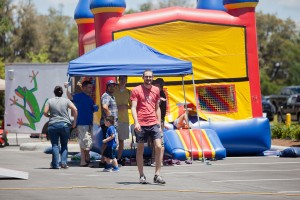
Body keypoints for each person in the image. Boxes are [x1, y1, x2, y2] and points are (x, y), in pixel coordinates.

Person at [131, 69, 166, 184]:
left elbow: (157, 108)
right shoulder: (136, 90)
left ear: (153, 77)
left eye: (150, 77)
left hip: (153, 123)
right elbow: (133, 107)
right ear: (142, 77)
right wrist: (136, 122)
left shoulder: (156, 90)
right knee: (140, 149)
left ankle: (157, 175)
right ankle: (142, 175)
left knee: (159, 146)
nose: (148, 79)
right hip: (141, 123)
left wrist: (159, 123)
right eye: (146, 77)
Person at [65, 80, 98, 167]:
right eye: (89, 87)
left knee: (87, 143)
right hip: (82, 123)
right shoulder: (79, 96)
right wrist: (67, 87)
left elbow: (94, 109)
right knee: (85, 142)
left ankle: (85, 158)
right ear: (83, 88)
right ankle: (84, 159)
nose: (91, 89)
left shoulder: (90, 98)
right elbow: (70, 97)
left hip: (89, 123)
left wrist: (95, 107)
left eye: (91, 87)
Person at [44, 86, 78, 169]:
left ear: (54, 92)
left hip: (53, 125)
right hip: (64, 125)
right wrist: (74, 122)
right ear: (62, 93)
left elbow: (45, 112)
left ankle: (55, 165)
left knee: (55, 145)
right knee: (64, 145)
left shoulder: (49, 101)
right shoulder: (66, 101)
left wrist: (49, 115)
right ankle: (63, 163)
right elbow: (75, 109)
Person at [99, 80, 118, 167]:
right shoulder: (106, 96)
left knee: (107, 142)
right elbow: (105, 107)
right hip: (108, 123)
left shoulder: (111, 96)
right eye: (110, 86)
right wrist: (111, 119)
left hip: (110, 123)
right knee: (108, 142)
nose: (112, 87)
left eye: (113, 86)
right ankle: (104, 161)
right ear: (107, 86)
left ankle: (104, 160)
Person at [114, 76, 131, 165]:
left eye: (125, 80)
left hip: (124, 119)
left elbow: (132, 105)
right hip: (113, 119)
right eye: (121, 79)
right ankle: (111, 157)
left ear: (126, 81)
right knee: (111, 139)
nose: (123, 81)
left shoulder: (128, 92)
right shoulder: (114, 91)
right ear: (119, 80)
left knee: (121, 140)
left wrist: (126, 106)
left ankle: (119, 158)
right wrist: (116, 107)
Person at [150, 78, 166, 167]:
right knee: (155, 141)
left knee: (159, 141)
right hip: (152, 120)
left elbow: (158, 108)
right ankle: (155, 160)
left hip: (158, 121)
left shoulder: (161, 94)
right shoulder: (156, 93)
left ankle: (159, 160)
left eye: (156, 85)